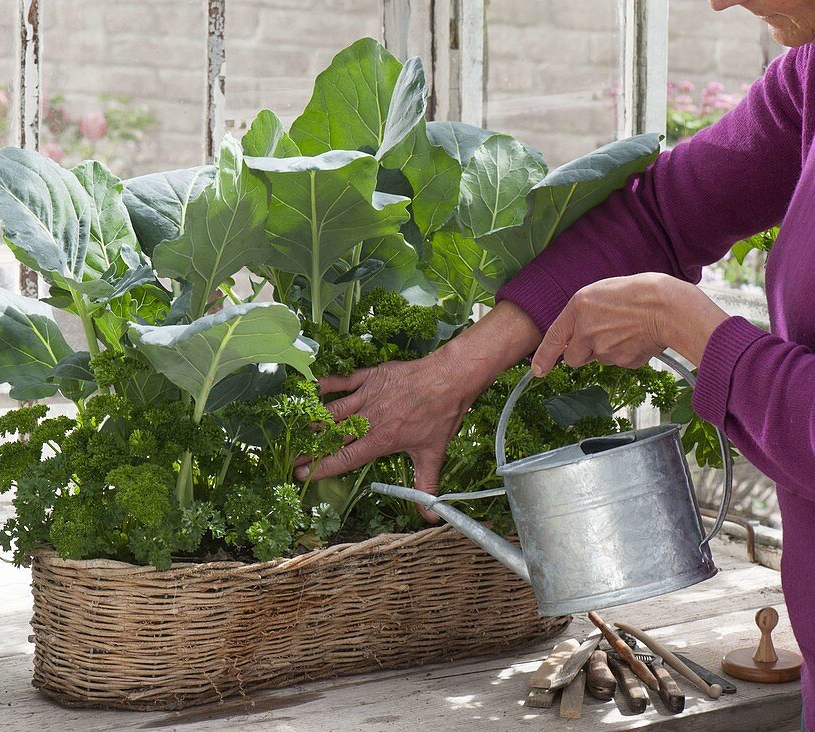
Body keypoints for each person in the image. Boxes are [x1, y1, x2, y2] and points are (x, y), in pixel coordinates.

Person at [294, 1, 815, 728]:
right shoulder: (809, 77)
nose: (718, 2)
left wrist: (688, 327)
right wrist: (451, 375)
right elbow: (658, 216)